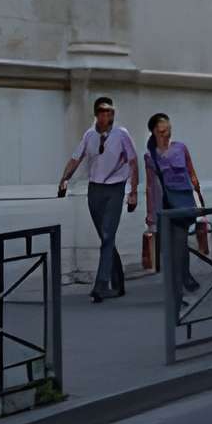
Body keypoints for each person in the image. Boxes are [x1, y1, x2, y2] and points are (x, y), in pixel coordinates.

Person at [57, 95, 139, 302]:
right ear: (96, 114)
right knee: (106, 239)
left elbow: (133, 162)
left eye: (110, 111)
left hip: (115, 189)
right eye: (102, 112)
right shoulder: (89, 136)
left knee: (108, 235)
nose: (107, 115)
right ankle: (118, 284)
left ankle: (101, 284)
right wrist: (64, 179)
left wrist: (133, 192)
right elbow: (76, 158)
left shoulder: (122, 134)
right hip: (95, 190)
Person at [144, 113, 205, 314]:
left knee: (178, 247)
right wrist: (151, 215)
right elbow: (151, 187)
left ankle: (180, 293)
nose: (166, 134)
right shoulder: (150, 156)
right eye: (162, 130)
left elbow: (192, 173)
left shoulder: (181, 148)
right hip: (164, 208)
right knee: (167, 252)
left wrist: (199, 199)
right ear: (154, 131)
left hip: (183, 205)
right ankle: (182, 284)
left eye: (168, 129)